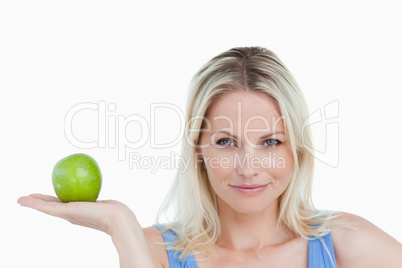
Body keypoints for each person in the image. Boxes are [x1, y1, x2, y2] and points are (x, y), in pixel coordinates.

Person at [18, 47, 402, 268]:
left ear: (296, 149)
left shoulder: (347, 245)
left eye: (270, 142)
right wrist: (121, 226)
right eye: (225, 142)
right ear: (197, 149)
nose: (248, 167)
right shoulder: (154, 252)